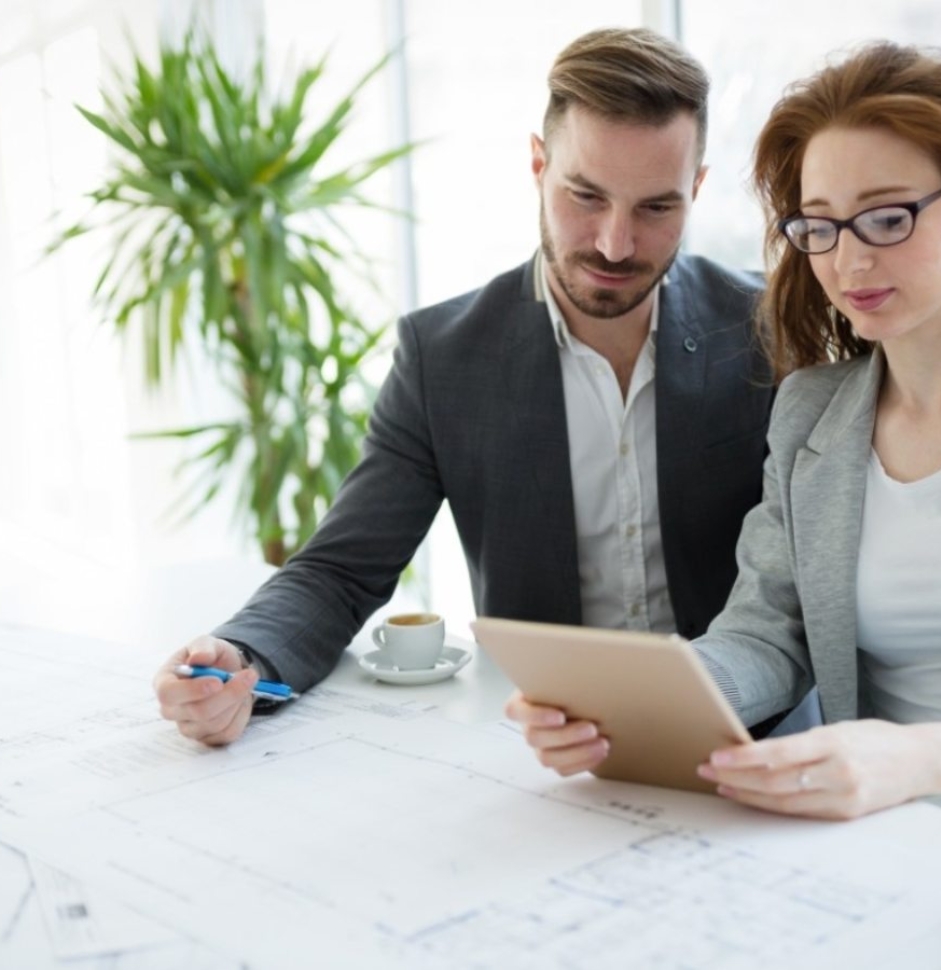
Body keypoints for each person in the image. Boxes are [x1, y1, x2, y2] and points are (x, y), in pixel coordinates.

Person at [153, 27, 773, 746]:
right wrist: (243, 656)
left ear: (696, 190)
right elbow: (341, 571)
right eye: (585, 196)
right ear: (538, 165)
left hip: (752, 737)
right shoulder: (442, 359)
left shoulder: (765, 329)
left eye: (656, 208)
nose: (614, 243)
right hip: (547, 754)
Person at [508, 40, 941, 820]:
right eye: (820, 226)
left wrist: (929, 755)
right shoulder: (813, 416)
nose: (849, 259)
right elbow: (766, 635)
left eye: (888, 217)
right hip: (883, 850)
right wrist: (629, 704)